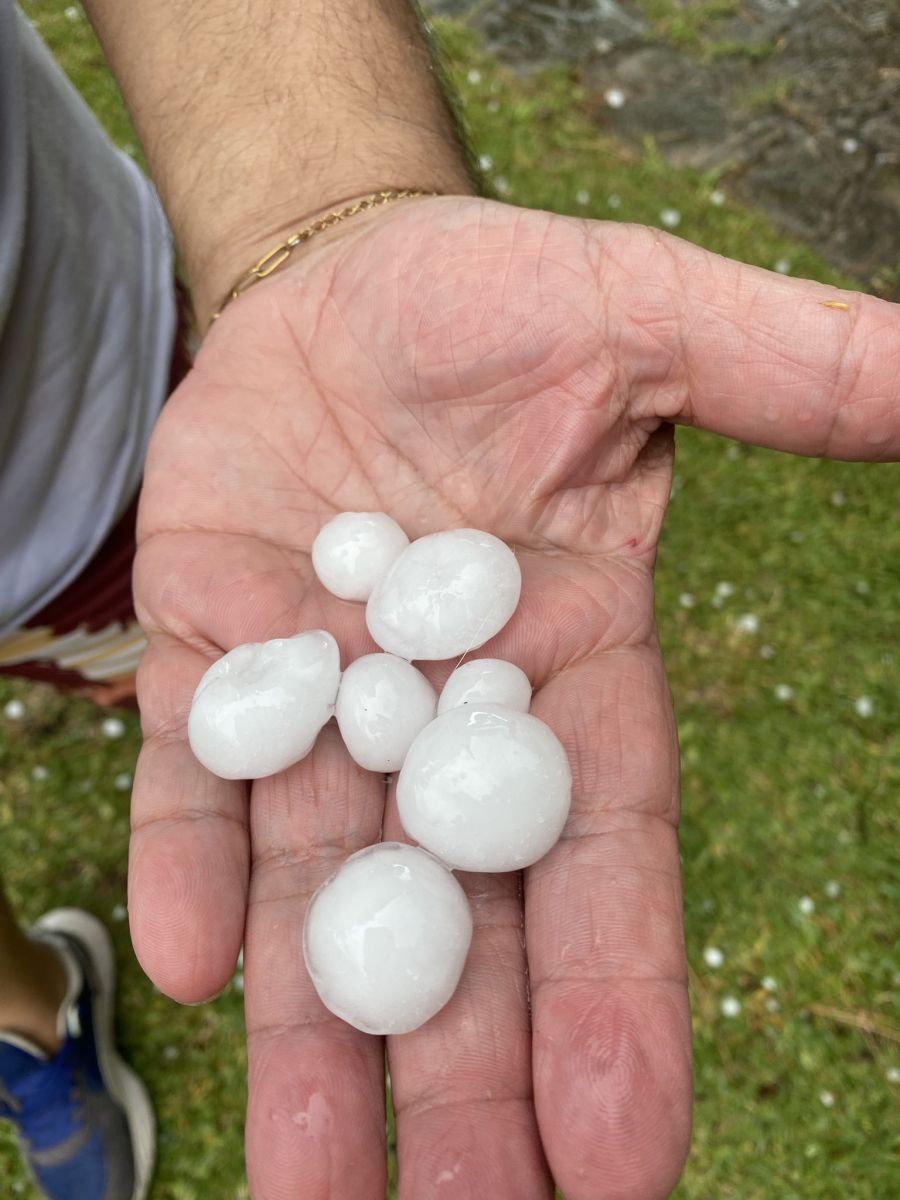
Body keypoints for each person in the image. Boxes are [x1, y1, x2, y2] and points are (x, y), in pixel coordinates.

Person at [1, 1, 897, 1199]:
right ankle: (24, 1012)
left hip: (127, 435)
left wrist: (311, 212)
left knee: (148, 670)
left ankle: (41, 1003)